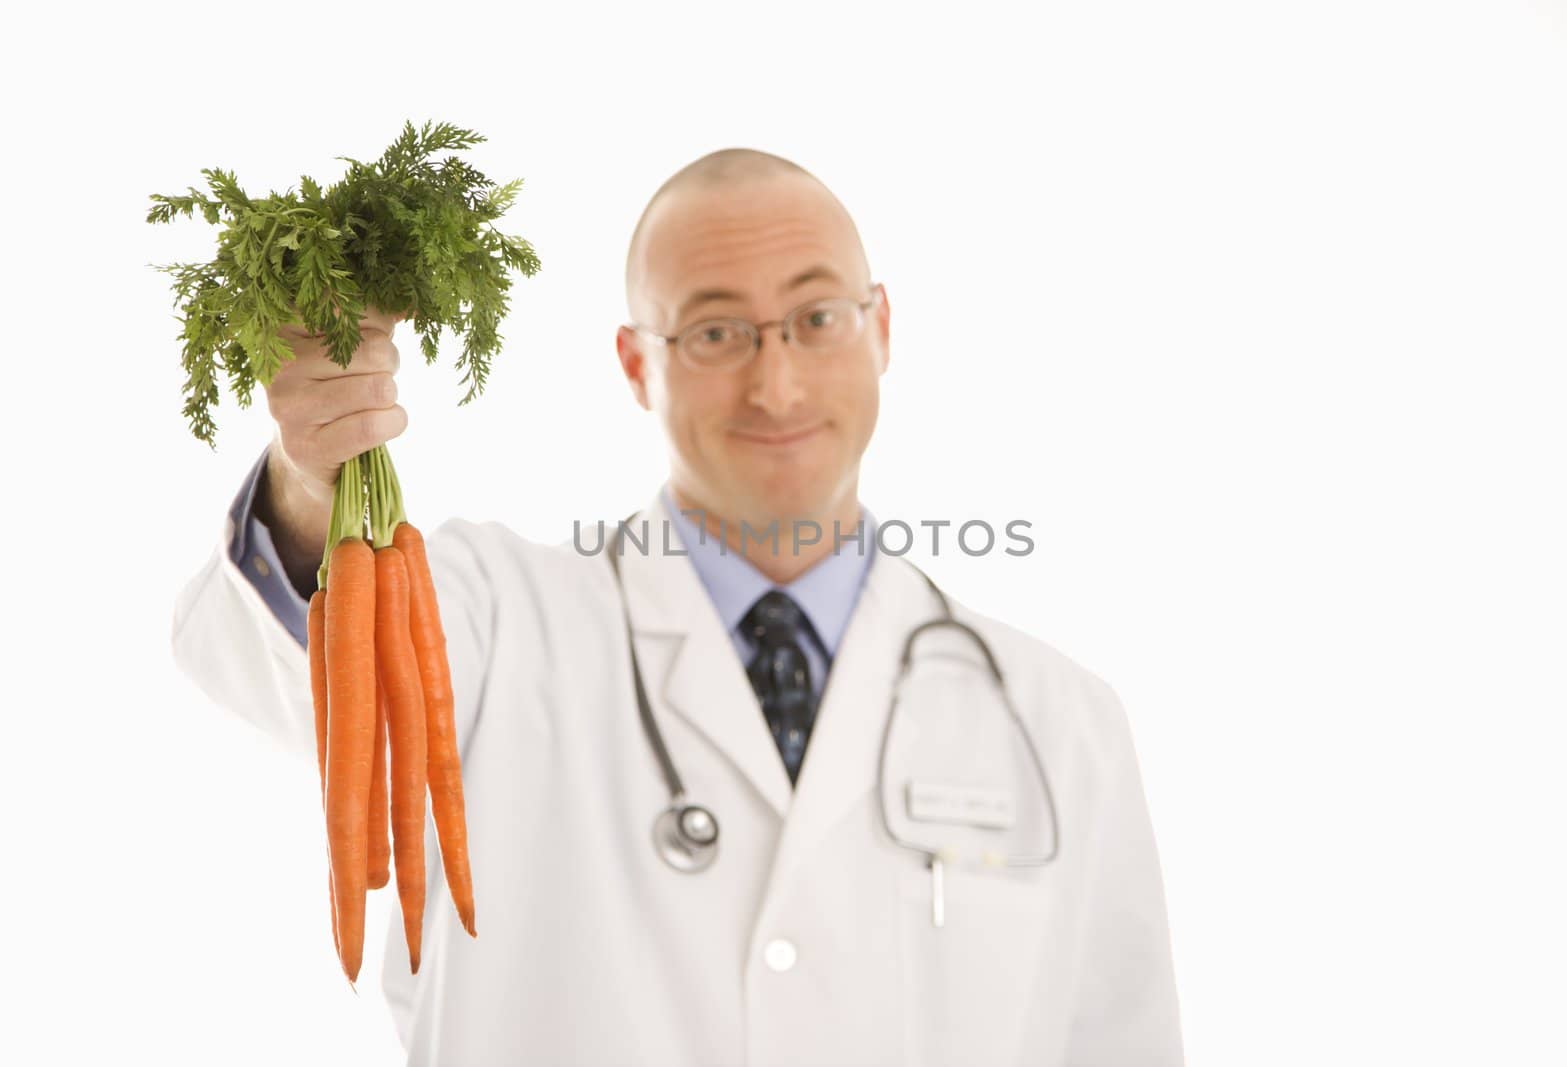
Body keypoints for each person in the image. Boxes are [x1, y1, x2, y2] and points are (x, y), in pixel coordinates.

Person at [171, 147, 1185, 1066]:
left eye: (816, 317)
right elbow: (301, 671)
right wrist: (314, 476)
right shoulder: (500, 622)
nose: (776, 384)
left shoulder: (1060, 718)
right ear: (633, 363)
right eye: (713, 330)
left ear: (881, 329)